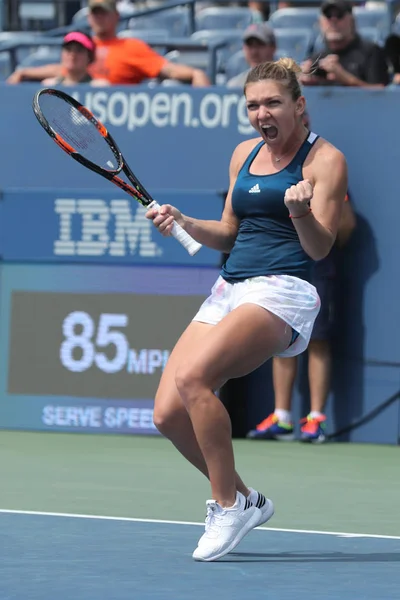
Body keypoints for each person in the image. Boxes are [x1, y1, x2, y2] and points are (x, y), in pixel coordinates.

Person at [145, 57, 348, 561]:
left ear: (299, 106)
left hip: (284, 290)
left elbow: (320, 247)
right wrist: (185, 221)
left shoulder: (326, 160)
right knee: (167, 413)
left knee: (194, 379)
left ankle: (226, 503)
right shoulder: (243, 154)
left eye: (273, 103)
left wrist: (299, 210)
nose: (262, 113)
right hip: (231, 285)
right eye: (253, 105)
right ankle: (247, 499)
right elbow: (229, 232)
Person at [247, 110, 356, 444]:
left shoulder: (324, 167)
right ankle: (282, 417)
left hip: (317, 268)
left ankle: (317, 417)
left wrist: (313, 226)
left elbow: (347, 227)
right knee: (282, 341)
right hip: (279, 268)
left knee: (318, 340)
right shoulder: (263, 166)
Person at [7, 0, 211, 87]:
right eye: (95, 12)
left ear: (116, 16)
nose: (98, 18)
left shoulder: (131, 47)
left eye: (103, 12)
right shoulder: (81, 46)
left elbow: (169, 70)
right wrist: (24, 73)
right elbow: (62, 70)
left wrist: (196, 74)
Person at [301, 0, 390, 87]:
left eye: (339, 15)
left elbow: (382, 94)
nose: (333, 20)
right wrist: (305, 83)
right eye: (328, 15)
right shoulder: (316, 59)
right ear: (321, 22)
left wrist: (346, 79)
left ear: (352, 21)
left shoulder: (372, 53)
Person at [42, 31, 109, 86]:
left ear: (89, 56)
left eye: (79, 50)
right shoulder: (49, 85)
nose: (72, 54)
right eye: (68, 49)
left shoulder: (99, 86)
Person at [226, 23, 276, 89]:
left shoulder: (287, 84)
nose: (254, 52)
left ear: (273, 48)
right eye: (249, 45)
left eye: (260, 45)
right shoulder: (235, 86)